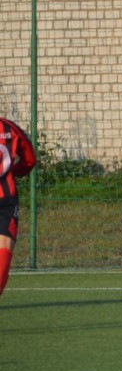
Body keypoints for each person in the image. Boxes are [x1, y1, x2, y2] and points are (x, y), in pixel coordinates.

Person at [0, 116, 37, 303]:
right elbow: (30, 160)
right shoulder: (10, 128)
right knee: (4, 247)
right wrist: (13, 172)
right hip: (6, 198)